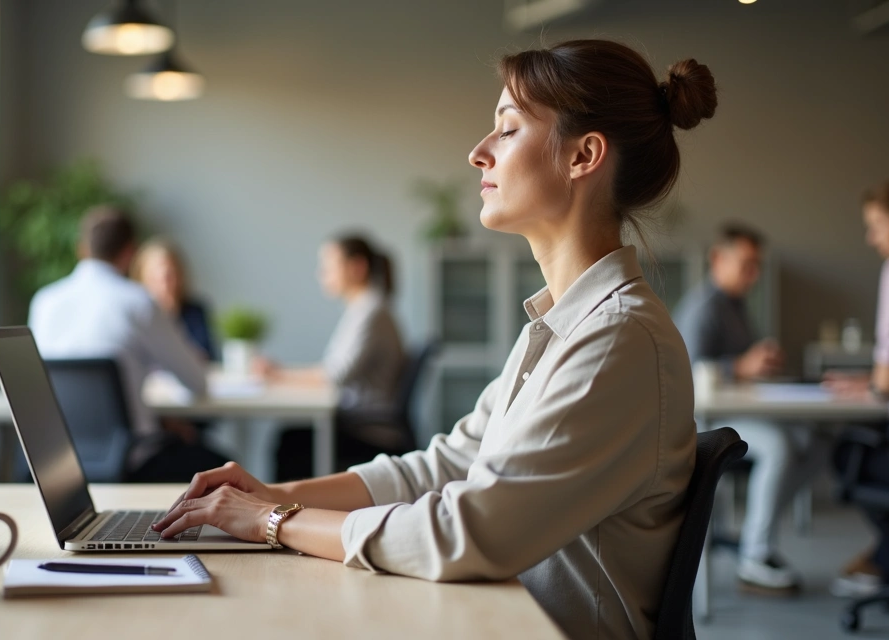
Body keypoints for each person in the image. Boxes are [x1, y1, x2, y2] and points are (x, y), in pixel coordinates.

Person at [151, 40, 716, 639]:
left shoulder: (618, 341)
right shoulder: (562, 327)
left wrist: (273, 520)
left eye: (508, 129)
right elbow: (445, 467)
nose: (478, 153)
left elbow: (466, 533)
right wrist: (271, 494)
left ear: (584, 155)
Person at [672, 224, 830, 594]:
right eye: (746, 265)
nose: (754, 275)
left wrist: (757, 362)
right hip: (704, 419)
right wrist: (740, 367)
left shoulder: (736, 305)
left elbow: (738, 363)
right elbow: (689, 374)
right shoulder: (703, 307)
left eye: (757, 265)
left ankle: (758, 530)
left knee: (818, 440)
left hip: (739, 411)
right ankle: (755, 555)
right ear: (717, 259)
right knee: (780, 446)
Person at [29, 207, 228, 482]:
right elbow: (197, 382)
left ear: (82, 248)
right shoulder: (139, 302)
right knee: (229, 470)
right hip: (133, 462)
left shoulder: (44, 302)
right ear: (129, 252)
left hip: (59, 462)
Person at [826, 169, 889, 598]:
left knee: (847, 452)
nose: (870, 237)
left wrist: (870, 387)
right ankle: (888, 560)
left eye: (877, 226)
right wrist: (868, 379)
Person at [272, 234, 407, 480]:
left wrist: (279, 375)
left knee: (290, 445)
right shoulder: (362, 308)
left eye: (328, 267)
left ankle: (283, 516)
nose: (322, 274)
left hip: (369, 430)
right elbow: (333, 369)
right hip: (358, 420)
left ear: (357, 267)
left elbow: (335, 375)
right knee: (289, 439)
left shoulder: (371, 312)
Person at [132, 239, 218, 361]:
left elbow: (206, 353)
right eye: (157, 277)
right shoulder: (138, 313)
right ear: (143, 277)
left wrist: (172, 315)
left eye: (170, 275)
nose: (165, 284)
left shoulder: (195, 311)